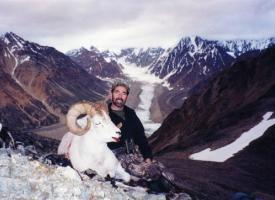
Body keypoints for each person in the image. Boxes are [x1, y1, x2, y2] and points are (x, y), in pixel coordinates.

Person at [107, 81, 153, 164]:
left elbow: (140, 137)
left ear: (127, 96)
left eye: (124, 93)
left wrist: (147, 156)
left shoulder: (131, 113)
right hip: (110, 157)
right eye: (117, 92)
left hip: (132, 155)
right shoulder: (103, 114)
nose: (120, 96)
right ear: (111, 94)